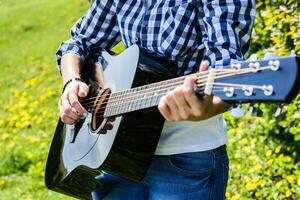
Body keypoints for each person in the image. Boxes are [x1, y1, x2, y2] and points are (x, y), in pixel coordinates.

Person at [56, 0, 255, 199]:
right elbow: (79, 43)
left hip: (185, 159)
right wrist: (71, 82)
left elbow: (227, 70)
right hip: (114, 151)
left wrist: (209, 107)